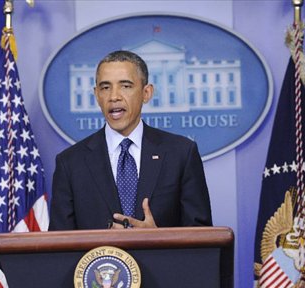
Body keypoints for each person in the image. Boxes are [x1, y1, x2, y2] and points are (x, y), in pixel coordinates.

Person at [49, 50, 212, 230]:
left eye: (125, 86)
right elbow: (60, 245)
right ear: (96, 95)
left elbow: (202, 239)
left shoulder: (181, 154)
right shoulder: (70, 163)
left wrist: (158, 239)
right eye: (105, 87)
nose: (114, 96)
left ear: (146, 93)